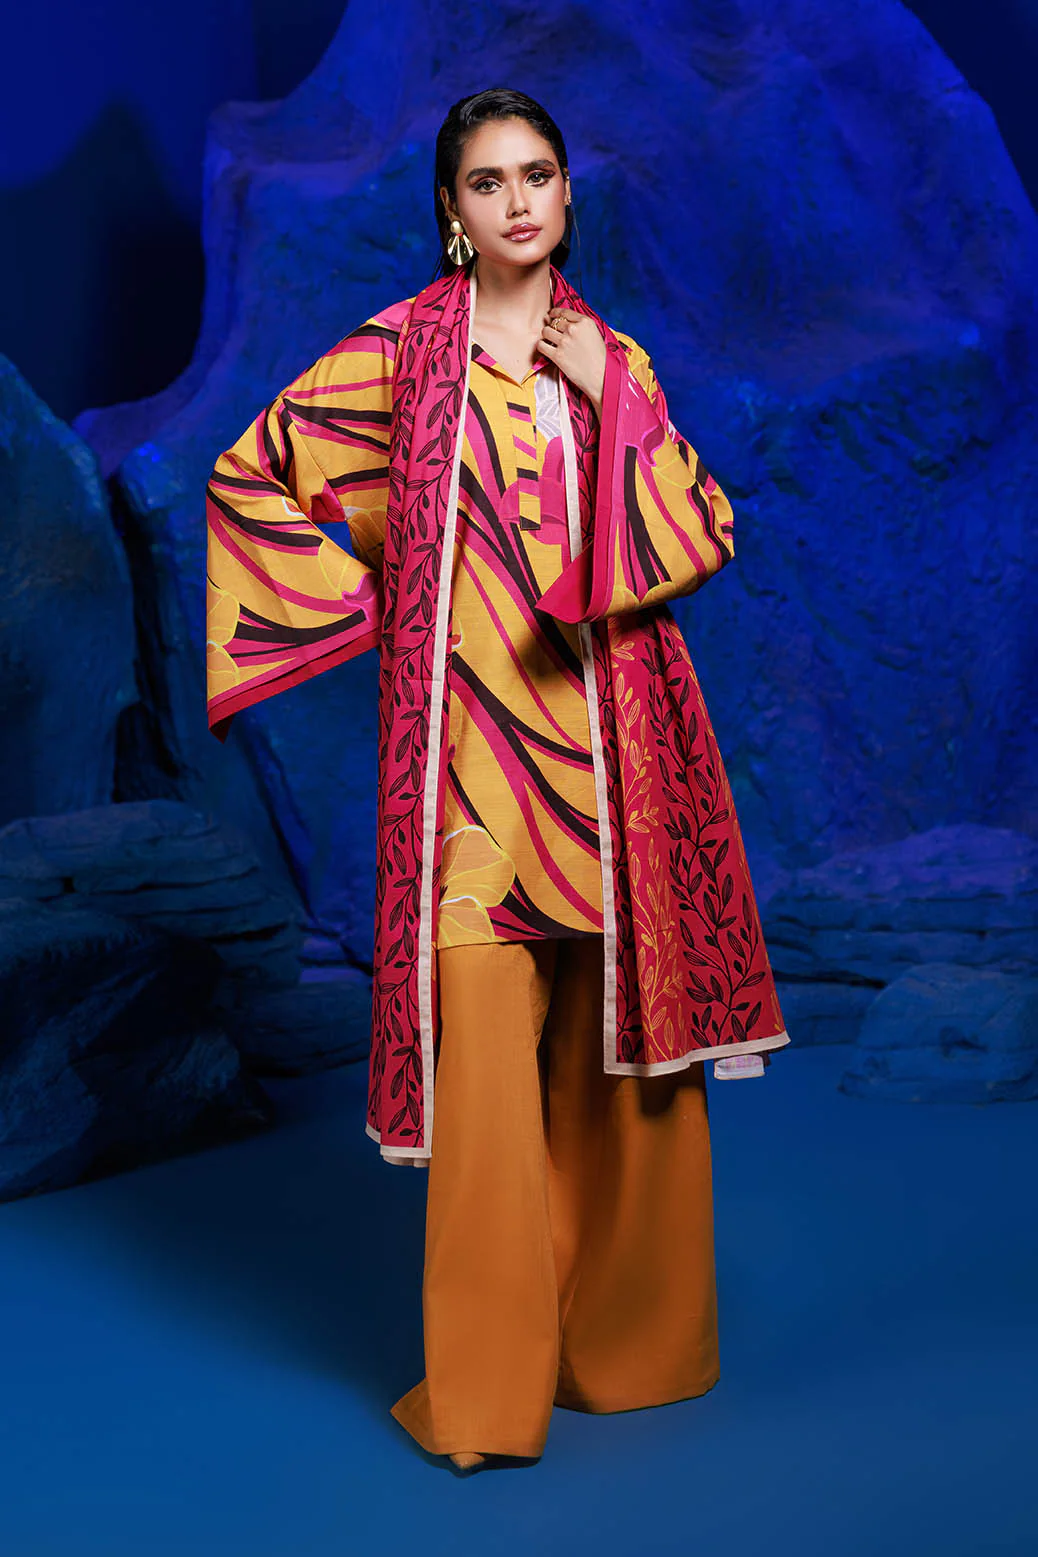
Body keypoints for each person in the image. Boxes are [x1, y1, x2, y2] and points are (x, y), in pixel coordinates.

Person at [205, 87, 789, 1473]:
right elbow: (254, 475)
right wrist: (385, 597)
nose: (517, 200)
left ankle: (626, 1353)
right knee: (480, 1094)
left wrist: (611, 407)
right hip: (468, 783)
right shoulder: (398, 356)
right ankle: (483, 1395)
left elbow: (702, 525)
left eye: (537, 175)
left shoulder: (615, 360)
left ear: (568, 196)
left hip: (614, 760)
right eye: (487, 181)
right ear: (451, 212)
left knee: (624, 1076)